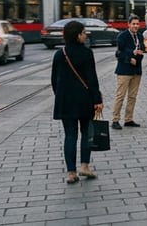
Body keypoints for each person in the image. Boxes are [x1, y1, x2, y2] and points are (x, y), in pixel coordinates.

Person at [50, 20, 103, 185]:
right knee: (86, 133)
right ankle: (84, 166)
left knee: (70, 135)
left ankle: (71, 173)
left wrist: (60, 95)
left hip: (65, 101)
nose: (85, 35)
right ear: (77, 35)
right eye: (84, 32)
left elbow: (54, 80)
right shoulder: (87, 53)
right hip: (84, 100)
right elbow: (92, 79)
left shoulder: (60, 54)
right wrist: (97, 100)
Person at [111, 16, 145, 130]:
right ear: (129, 25)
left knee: (132, 96)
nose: (136, 26)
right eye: (133, 24)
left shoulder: (140, 36)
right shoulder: (122, 36)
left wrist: (140, 54)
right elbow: (119, 53)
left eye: (137, 24)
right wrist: (131, 56)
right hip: (124, 70)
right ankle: (115, 119)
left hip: (136, 70)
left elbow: (142, 49)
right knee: (120, 96)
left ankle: (128, 119)